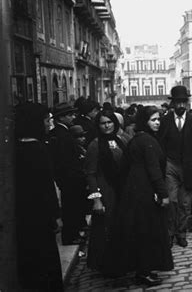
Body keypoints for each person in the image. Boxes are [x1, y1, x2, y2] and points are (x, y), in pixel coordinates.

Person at [109, 106, 173, 286]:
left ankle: (143, 270)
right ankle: (144, 272)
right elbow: (154, 171)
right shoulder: (147, 141)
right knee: (146, 232)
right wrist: (163, 194)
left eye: (159, 119)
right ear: (145, 122)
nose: (158, 122)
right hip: (144, 191)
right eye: (153, 120)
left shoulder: (138, 139)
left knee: (141, 231)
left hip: (135, 189)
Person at [15, 102, 64, 291]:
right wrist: (56, 215)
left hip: (23, 215)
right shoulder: (37, 149)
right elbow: (46, 187)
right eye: (45, 120)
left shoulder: (15, 148)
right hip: (40, 216)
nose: (47, 124)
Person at [157, 85, 192, 248]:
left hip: (189, 167)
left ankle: (181, 233)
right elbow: (160, 145)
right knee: (171, 201)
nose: (180, 106)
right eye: (177, 102)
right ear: (172, 104)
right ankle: (170, 233)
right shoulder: (165, 121)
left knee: (185, 204)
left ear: (187, 103)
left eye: (183, 102)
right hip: (170, 165)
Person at [84, 110, 130, 274]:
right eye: (103, 123)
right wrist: (96, 199)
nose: (107, 126)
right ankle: (109, 265)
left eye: (109, 122)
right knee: (107, 228)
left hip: (122, 190)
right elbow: (90, 174)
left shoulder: (122, 140)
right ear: (98, 125)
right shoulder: (94, 145)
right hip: (106, 191)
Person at [49, 102, 87, 245]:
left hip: (67, 178)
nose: (73, 117)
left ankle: (73, 234)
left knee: (71, 208)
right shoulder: (63, 134)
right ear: (61, 118)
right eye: (69, 115)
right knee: (70, 209)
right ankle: (70, 236)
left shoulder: (59, 133)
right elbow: (65, 160)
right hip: (70, 179)